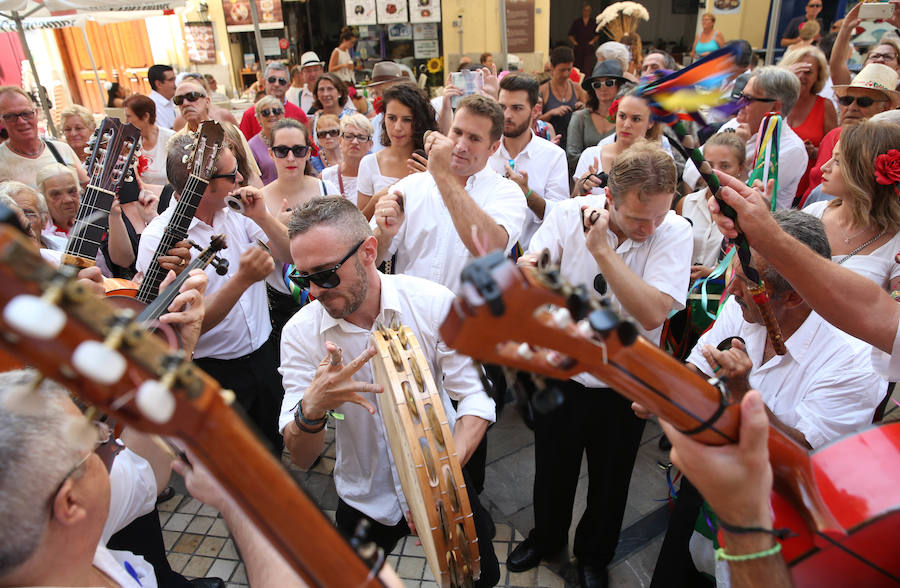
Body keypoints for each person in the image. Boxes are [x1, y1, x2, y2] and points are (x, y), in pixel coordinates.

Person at [647, 210, 884, 588]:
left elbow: (804, 460)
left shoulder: (854, 360)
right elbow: (697, 369)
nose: (731, 289)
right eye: (734, 273)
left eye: (745, 282)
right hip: (708, 482)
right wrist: (657, 390)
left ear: (793, 296)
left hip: (776, 523)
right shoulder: (744, 304)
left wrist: (744, 396)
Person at [278, 196, 500, 587]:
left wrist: (437, 481)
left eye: (326, 275)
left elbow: (476, 397)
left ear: (368, 251)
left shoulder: (433, 304)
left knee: (480, 579)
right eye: (302, 277)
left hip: (446, 479)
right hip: (363, 498)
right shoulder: (300, 334)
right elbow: (301, 456)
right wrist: (311, 411)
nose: (313, 291)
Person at [507, 142, 692, 586]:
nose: (649, 228)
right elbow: (534, 272)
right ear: (609, 197)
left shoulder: (675, 230)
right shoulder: (567, 213)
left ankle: (594, 556)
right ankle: (546, 537)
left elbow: (652, 312)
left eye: (659, 216)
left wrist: (603, 251)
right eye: (637, 218)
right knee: (552, 467)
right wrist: (531, 272)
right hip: (562, 369)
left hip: (626, 380)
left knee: (612, 478)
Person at [136, 135, 292, 452]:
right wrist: (243, 280)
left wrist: (263, 216)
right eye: (232, 174)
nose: (240, 178)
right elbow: (184, 325)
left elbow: (290, 254)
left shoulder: (235, 211)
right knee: (229, 463)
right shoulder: (158, 240)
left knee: (272, 449)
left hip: (264, 355)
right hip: (213, 372)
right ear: (204, 185)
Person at [371, 94, 527, 294]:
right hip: (408, 311)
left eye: (474, 138)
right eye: (457, 132)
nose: (461, 146)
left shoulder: (506, 192)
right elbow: (369, 260)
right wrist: (383, 234)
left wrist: (443, 175)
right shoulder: (410, 187)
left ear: (494, 148)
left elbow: (489, 249)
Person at [683, 66, 807, 210]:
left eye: (748, 99)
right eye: (741, 96)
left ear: (774, 107)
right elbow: (691, 169)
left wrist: (737, 146)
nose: (739, 103)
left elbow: (744, 197)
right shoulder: (735, 124)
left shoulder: (792, 149)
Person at [260, 118, 339, 341]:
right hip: (280, 302)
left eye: (298, 150)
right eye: (282, 151)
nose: (290, 158)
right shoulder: (259, 201)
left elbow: (344, 241)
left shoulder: (326, 190)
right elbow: (257, 263)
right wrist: (275, 227)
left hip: (327, 290)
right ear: (271, 154)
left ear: (308, 153)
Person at [802, 121, 900, 291]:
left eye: (838, 161)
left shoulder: (895, 242)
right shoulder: (813, 213)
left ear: (865, 172)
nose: (824, 167)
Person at [488, 72, 569, 249]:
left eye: (516, 108)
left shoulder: (553, 156)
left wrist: (527, 194)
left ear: (535, 111)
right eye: (502, 107)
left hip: (534, 257)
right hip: (489, 257)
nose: (507, 115)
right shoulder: (485, 152)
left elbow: (561, 216)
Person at [802, 63, 899, 204]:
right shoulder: (832, 136)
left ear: (886, 108)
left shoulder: (889, 147)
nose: (852, 107)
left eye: (864, 102)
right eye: (846, 100)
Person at [573, 88, 673, 196]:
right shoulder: (591, 155)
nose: (626, 125)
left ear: (650, 122)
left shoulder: (659, 163)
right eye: (622, 116)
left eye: (636, 119)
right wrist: (582, 188)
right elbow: (572, 201)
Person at [357, 82, 437, 219]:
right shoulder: (369, 163)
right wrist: (378, 199)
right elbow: (360, 223)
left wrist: (431, 181)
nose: (397, 127)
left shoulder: (433, 163)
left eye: (407, 120)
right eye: (392, 118)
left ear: (419, 121)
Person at [677, 131, 747, 278]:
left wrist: (714, 274)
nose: (715, 172)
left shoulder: (747, 210)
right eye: (709, 165)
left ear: (740, 168)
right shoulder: (686, 203)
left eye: (725, 166)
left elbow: (753, 266)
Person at [173, 81, 263, 188]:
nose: (185, 103)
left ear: (207, 101)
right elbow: (175, 186)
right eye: (179, 100)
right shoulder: (175, 142)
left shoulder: (231, 131)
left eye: (191, 97)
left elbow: (250, 172)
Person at [778, 46, 837, 197]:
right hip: (772, 186)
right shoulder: (774, 101)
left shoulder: (825, 106)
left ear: (818, 76)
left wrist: (814, 151)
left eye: (808, 72)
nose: (801, 76)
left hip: (805, 190)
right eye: (798, 69)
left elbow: (833, 151)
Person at [0, 86, 88, 188]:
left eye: (26, 114)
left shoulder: (61, 149)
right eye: (10, 116)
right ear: (1, 121)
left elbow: (88, 187)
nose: (21, 121)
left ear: (36, 114)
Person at [566, 60, 627, 173]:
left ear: (619, 86)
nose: (602, 88)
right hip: (585, 177)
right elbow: (572, 156)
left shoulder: (627, 120)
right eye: (597, 85)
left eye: (609, 83)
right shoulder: (580, 117)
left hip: (621, 177)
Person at [829, 1, 900, 86]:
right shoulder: (853, 86)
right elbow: (837, 66)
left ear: (898, 68)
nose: (880, 60)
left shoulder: (897, 88)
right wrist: (846, 27)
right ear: (864, 65)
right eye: (875, 56)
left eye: (887, 57)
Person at [238, 63, 309, 141]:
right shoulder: (249, 114)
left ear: (288, 86)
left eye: (281, 81)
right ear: (264, 83)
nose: (276, 84)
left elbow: (308, 144)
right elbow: (242, 146)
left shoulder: (298, 114)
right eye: (272, 80)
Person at [123, 94, 176, 194]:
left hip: (165, 196)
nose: (126, 121)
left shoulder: (171, 138)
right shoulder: (130, 142)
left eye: (129, 116)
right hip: (139, 197)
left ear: (145, 116)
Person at [539, 46, 588, 151]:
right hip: (552, 145)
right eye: (561, 70)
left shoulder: (576, 88)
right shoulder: (543, 90)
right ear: (552, 67)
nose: (566, 74)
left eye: (569, 69)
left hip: (574, 144)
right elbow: (535, 121)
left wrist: (582, 107)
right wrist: (551, 113)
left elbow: (588, 114)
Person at [321, 113, 374, 206]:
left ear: (370, 144)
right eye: (349, 136)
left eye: (362, 137)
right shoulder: (326, 176)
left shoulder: (377, 176)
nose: (355, 141)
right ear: (340, 141)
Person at [365, 61, 411, 152]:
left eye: (385, 91)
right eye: (377, 93)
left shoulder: (415, 114)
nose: (381, 97)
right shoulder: (377, 121)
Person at [36, 162, 79, 243]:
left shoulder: (93, 219)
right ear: (43, 198)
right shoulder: (41, 237)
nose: (68, 200)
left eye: (72, 191)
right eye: (56, 194)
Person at [248, 95, 285, 185]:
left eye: (276, 111)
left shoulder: (292, 139)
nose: (272, 115)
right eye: (266, 112)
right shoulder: (252, 146)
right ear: (258, 118)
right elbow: (251, 179)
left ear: (283, 115)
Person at [568, 3, 600, 74]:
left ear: (590, 11)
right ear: (582, 11)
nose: (586, 12)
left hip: (589, 47)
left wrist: (592, 41)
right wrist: (574, 42)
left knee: (587, 67)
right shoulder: (577, 22)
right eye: (585, 10)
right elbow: (570, 35)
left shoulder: (593, 22)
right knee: (578, 67)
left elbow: (597, 35)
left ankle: (586, 80)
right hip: (579, 47)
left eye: (588, 10)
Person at [147, 64, 177, 130]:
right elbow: (163, 134)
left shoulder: (172, 101)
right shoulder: (151, 106)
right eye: (171, 80)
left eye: (175, 79)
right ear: (159, 84)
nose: (176, 84)